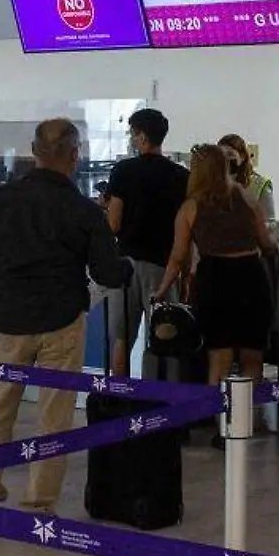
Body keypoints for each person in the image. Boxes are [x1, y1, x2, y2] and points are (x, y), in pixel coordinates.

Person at [0, 119, 129, 514]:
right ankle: (38, 502)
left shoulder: (3, 199)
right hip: (61, 323)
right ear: (74, 156)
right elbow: (108, 272)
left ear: (33, 151)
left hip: (10, 320)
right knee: (53, 416)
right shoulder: (82, 209)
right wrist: (126, 268)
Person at [157, 145, 276, 445]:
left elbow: (178, 256)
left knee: (218, 359)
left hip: (215, 279)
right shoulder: (247, 198)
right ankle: (243, 422)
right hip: (251, 277)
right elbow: (267, 243)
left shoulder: (191, 207)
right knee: (252, 356)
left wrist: (160, 290)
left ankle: (222, 425)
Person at [105, 108, 187, 373]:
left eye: (132, 133)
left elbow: (113, 224)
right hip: (164, 268)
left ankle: (120, 396)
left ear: (141, 137)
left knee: (121, 337)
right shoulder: (180, 176)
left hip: (126, 266)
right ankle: (158, 397)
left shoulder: (123, 171)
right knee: (164, 337)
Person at [218, 133, 275, 221]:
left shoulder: (259, 184)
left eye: (230, 154)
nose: (226, 159)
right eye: (221, 155)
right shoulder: (214, 184)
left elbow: (270, 222)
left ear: (243, 156)